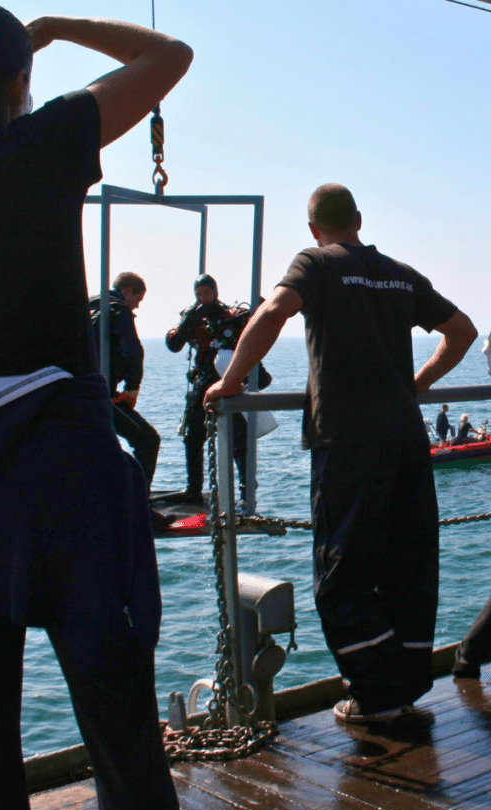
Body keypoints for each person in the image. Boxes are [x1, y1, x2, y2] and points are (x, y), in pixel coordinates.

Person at [0, 1, 191, 810]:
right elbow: (171, 54)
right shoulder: (45, 142)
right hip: (65, 477)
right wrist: (54, 25)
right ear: (20, 78)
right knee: (121, 727)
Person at [205, 183, 477, 724]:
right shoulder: (399, 272)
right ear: (358, 218)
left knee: (341, 573)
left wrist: (231, 380)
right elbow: (463, 331)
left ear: (313, 229)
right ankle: (404, 687)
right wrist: (416, 383)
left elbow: (274, 310)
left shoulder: (316, 262)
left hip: (349, 440)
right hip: (405, 437)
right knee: (410, 563)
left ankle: (376, 697)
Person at [165, 273, 271, 506]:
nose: (203, 298)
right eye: (199, 294)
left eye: (207, 292)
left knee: (238, 442)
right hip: (202, 386)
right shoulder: (191, 318)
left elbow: (251, 347)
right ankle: (193, 489)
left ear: (215, 291)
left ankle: (246, 494)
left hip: (228, 384)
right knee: (192, 436)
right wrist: (188, 322)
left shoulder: (231, 317)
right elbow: (173, 345)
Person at [89, 272, 160, 492]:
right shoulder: (119, 310)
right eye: (137, 300)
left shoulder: (90, 307)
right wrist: (132, 389)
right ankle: (139, 505)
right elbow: (133, 351)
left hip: (80, 391)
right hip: (102, 394)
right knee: (148, 440)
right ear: (128, 291)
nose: (136, 307)